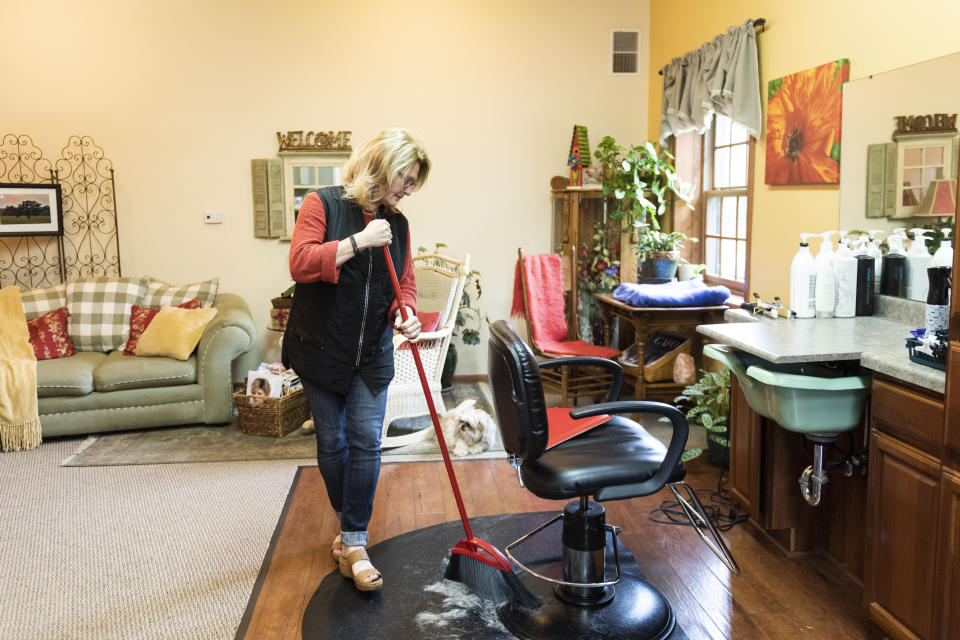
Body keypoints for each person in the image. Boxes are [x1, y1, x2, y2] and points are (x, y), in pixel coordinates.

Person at [282, 128, 428, 592]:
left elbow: (403, 282)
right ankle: (351, 538)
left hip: (371, 353)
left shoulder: (399, 224)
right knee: (334, 445)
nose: (407, 191)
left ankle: (353, 540)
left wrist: (405, 313)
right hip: (322, 349)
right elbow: (301, 264)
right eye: (405, 178)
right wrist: (361, 241)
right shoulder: (321, 204)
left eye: (412, 184)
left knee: (366, 442)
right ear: (382, 166)